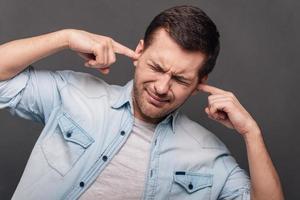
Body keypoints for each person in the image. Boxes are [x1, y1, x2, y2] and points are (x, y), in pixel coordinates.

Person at [0, 5, 284, 200]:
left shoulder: (208, 156)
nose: (161, 88)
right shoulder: (74, 94)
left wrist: (251, 133)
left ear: (200, 83)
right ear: (139, 52)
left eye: (181, 80)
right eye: (157, 68)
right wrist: (64, 38)